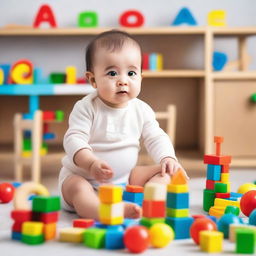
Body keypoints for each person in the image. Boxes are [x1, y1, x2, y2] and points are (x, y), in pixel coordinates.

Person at [58, 30, 188, 219]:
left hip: (125, 180)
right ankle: (103, 211)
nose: (123, 81)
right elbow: (73, 139)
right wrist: (91, 163)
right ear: (93, 79)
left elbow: (156, 137)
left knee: (167, 170)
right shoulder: (87, 107)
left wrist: (168, 158)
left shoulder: (141, 109)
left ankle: (152, 197)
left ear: (141, 77)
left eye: (131, 73)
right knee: (77, 188)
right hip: (86, 179)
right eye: (112, 73)